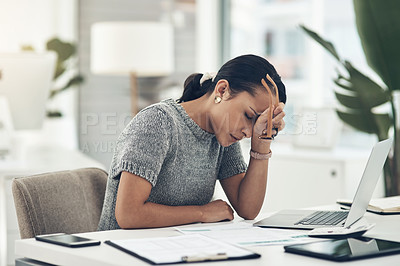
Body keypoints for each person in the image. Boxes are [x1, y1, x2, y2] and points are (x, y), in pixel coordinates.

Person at [97, 54, 286, 230]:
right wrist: (202, 212)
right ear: (222, 90)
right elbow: (129, 214)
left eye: (256, 124)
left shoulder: (223, 135)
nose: (248, 132)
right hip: (122, 250)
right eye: (248, 115)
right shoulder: (158, 122)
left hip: (177, 248)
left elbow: (248, 210)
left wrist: (262, 142)